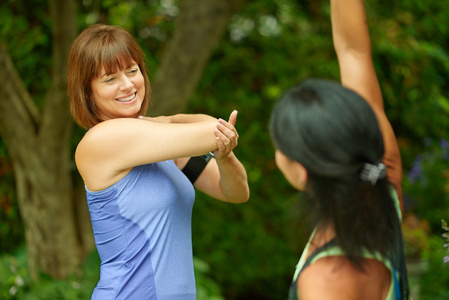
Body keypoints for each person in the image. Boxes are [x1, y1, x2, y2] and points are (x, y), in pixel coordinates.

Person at [67, 24, 249, 300]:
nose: (128, 84)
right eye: (110, 79)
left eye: (132, 70)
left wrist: (224, 156)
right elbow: (211, 128)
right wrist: (169, 123)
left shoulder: (160, 145)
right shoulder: (101, 141)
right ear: (88, 91)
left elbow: (235, 192)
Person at [269, 0, 409, 299]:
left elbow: (353, 52)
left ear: (302, 171)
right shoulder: (382, 184)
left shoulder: (326, 281)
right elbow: (353, 52)